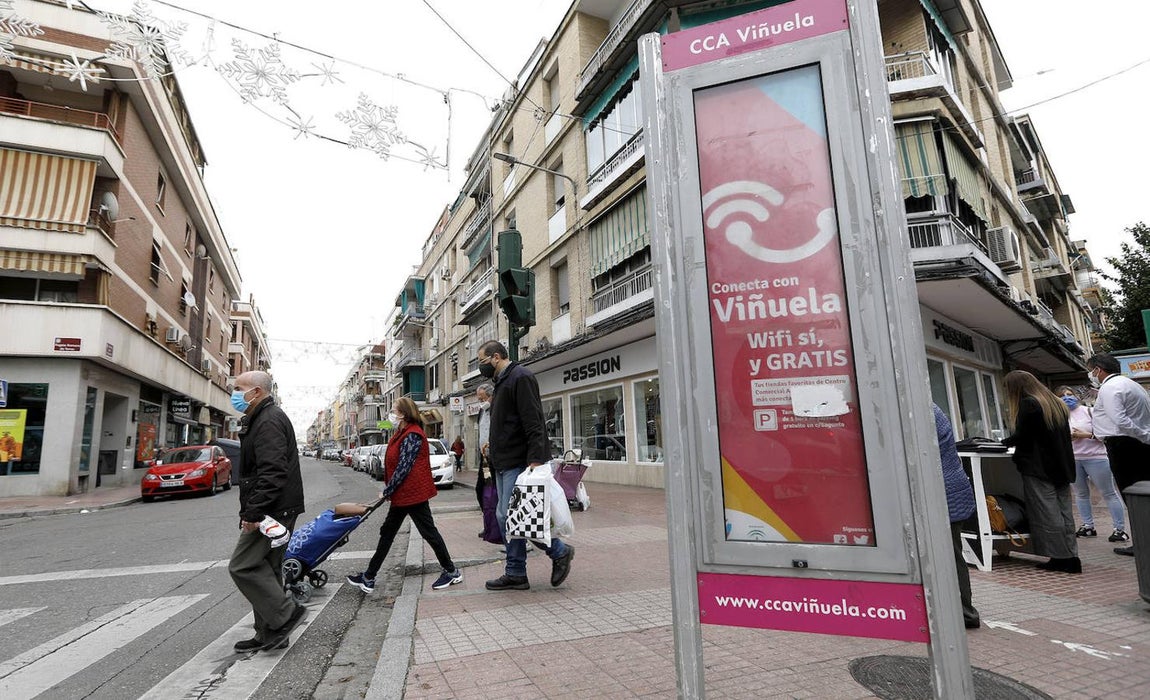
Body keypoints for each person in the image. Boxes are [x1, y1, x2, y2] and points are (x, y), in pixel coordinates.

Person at [479, 340, 575, 590]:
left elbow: (534, 420)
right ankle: (517, 572)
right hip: (502, 461)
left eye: (482, 361)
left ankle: (557, 552)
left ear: (496, 357)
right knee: (511, 517)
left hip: (518, 462)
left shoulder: (520, 377)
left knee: (510, 516)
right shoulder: (500, 383)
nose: (481, 367)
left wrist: (535, 459)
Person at [347, 397, 462, 593]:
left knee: (428, 533)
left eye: (393, 409)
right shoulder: (401, 433)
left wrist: (388, 489)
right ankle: (369, 576)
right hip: (404, 494)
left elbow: (404, 466)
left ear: (403, 413)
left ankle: (451, 571)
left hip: (413, 494)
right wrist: (391, 489)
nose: (390, 413)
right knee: (388, 532)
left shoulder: (413, 435)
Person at [228, 371, 307, 652]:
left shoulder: (268, 420)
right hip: (277, 507)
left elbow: (272, 472)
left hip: (272, 510)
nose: (234, 393)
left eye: (239, 388)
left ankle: (287, 614)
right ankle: (271, 633)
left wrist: (253, 513)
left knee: (243, 565)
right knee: (269, 570)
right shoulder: (262, 417)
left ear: (258, 392)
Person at [1001, 370, 1080, 573]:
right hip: (1062, 467)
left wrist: (1001, 443)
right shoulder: (1055, 403)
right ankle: (1071, 555)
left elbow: (1023, 437)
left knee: (1047, 513)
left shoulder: (1029, 404)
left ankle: (1059, 557)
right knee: (1064, 512)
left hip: (1038, 468)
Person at [1086, 353, 1150, 556]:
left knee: (1132, 495)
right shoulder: (1131, 384)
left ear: (1099, 369)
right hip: (1134, 444)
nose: (1091, 375)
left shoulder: (1110, 387)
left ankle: (1143, 544)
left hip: (1124, 446)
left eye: (1091, 370)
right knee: (1141, 493)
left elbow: (1119, 420)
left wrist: (1143, 436)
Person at [1055, 385, 1128, 543]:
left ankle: (1120, 529)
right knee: (1080, 494)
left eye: (1070, 394)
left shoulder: (1090, 411)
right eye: (1063, 396)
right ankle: (1088, 526)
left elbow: (1106, 433)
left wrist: (1084, 435)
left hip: (1096, 457)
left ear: (1076, 396)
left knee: (1108, 493)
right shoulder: (1058, 416)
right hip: (1073, 458)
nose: (1067, 398)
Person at [932, 404, 980, 629]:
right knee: (950, 554)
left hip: (943, 493)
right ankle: (959, 610)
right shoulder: (929, 407)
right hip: (949, 490)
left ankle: (964, 612)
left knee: (949, 555)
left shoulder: (918, 408)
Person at [474, 383, 493, 510]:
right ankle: (488, 519)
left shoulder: (498, 409)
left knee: (492, 489)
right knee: (481, 489)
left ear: (491, 396)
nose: (481, 402)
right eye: (479, 399)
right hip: (485, 458)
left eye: (483, 398)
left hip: (495, 457)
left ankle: (493, 523)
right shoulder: (481, 411)